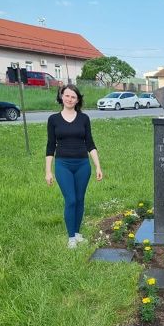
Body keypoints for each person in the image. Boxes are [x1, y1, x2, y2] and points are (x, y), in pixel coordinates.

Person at [45, 84, 103, 248]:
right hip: (63, 165)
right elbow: (50, 146)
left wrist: (98, 166)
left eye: (73, 97)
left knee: (79, 199)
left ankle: (77, 233)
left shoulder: (84, 119)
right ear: (61, 96)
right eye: (67, 95)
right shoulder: (53, 119)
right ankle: (71, 238)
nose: (70, 99)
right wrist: (48, 171)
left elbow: (90, 144)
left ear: (77, 100)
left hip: (82, 165)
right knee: (70, 200)